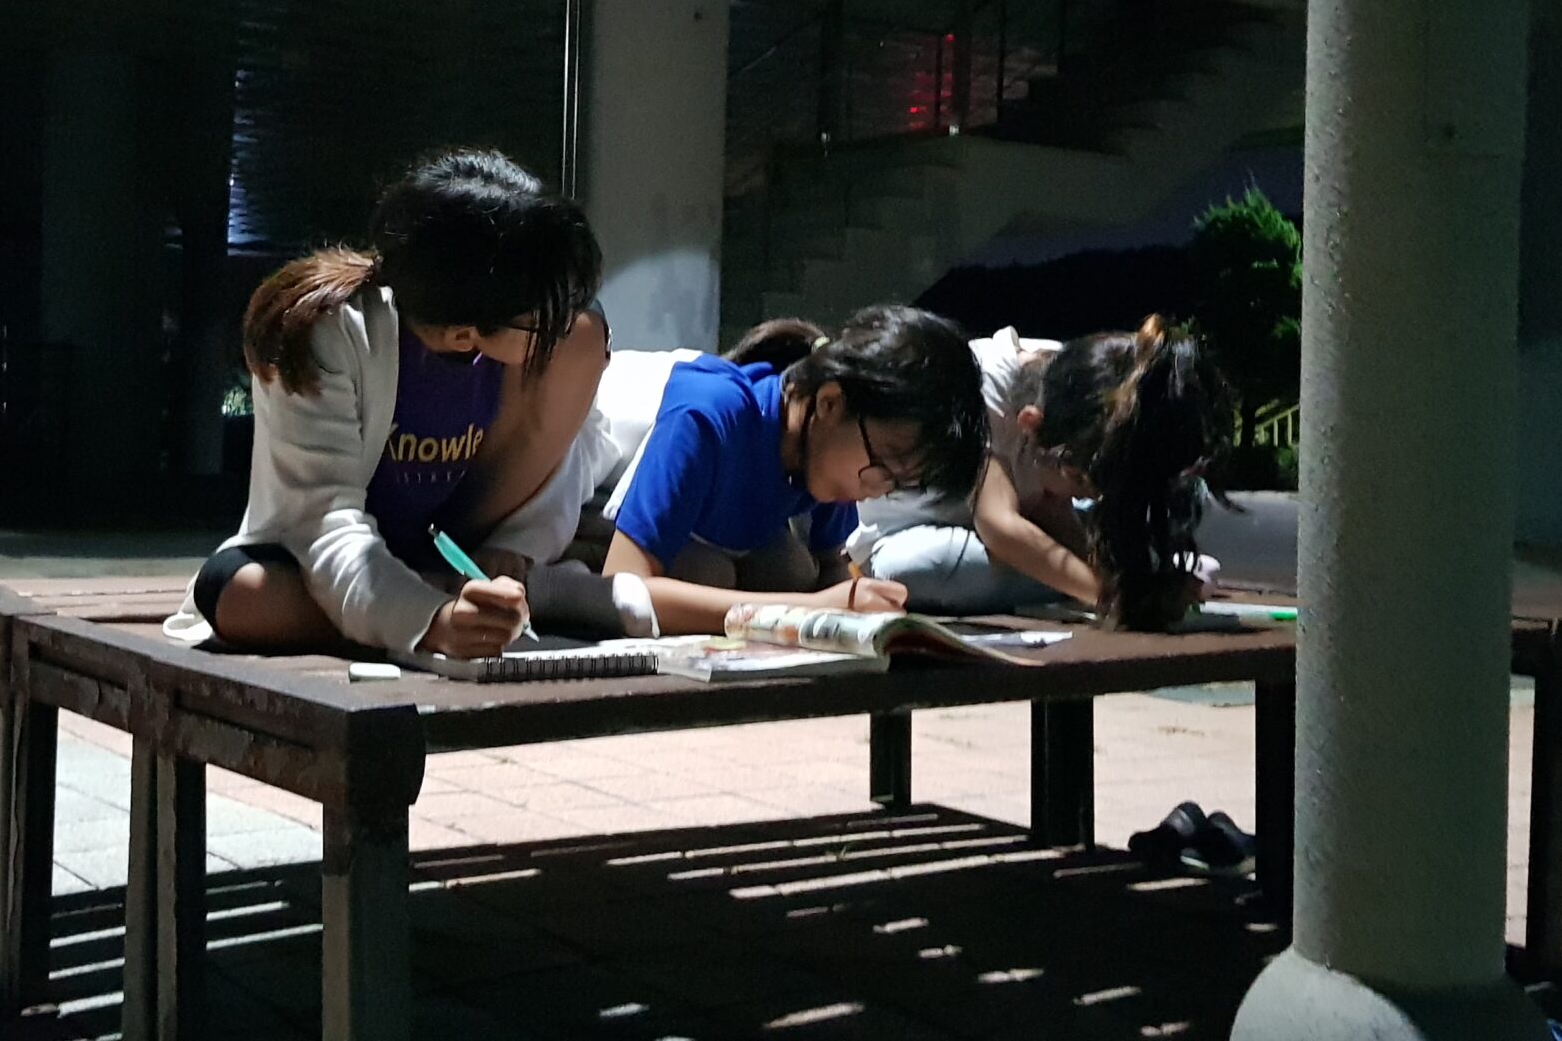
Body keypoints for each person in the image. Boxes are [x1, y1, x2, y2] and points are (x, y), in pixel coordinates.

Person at [162, 149, 608, 659]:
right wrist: (432, 622)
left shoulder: (567, 343)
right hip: (341, 561)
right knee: (239, 593)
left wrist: (513, 550)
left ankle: (487, 605)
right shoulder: (327, 332)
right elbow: (324, 527)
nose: (558, 328)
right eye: (541, 319)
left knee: (584, 338)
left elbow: (562, 464)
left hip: (454, 557)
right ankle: (469, 610)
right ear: (464, 332)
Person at [564, 306, 989, 636]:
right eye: (883, 465)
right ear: (830, 402)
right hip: (579, 506)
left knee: (789, 568)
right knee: (709, 573)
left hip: (694, 536)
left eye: (897, 483)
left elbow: (830, 570)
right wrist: (815, 608)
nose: (877, 490)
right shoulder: (710, 413)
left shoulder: (820, 448)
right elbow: (623, 586)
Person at [854, 314, 1234, 631]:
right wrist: (1113, 595)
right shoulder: (984, 386)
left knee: (1168, 516)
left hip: (1027, 523)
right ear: (1030, 424)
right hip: (928, 529)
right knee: (919, 569)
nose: (1087, 492)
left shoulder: (1082, 384)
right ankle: (1111, 576)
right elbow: (1000, 525)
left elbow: (1051, 507)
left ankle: (1127, 572)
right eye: (1080, 481)